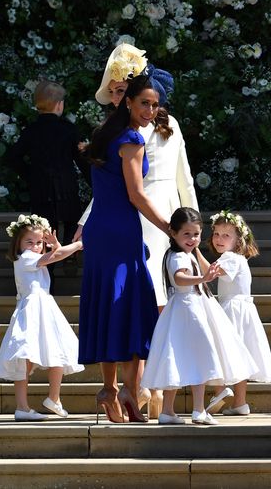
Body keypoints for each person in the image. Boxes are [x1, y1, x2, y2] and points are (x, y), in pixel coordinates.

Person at [76, 42, 198, 419]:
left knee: (111, 306)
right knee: (128, 307)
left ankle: (116, 390)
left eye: (154, 104)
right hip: (123, 228)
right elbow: (136, 195)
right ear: (128, 102)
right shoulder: (130, 140)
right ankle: (129, 390)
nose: (151, 110)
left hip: (103, 228)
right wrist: (171, 228)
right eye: (144, 103)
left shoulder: (104, 133)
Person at [141, 208, 258, 425]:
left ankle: (170, 411)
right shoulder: (178, 256)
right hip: (189, 310)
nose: (192, 239)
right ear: (173, 233)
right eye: (186, 234)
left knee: (180, 358)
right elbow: (180, 278)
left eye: (196, 234)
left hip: (187, 309)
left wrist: (202, 274)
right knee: (200, 357)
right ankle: (197, 410)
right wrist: (202, 278)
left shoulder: (185, 254)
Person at [0, 214, 85, 421]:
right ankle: (22, 407)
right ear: (18, 243)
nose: (35, 246)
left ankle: (54, 398)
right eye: (30, 242)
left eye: (39, 242)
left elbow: (54, 255)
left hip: (45, 308)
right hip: (32, 311)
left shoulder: (35, 259)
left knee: (57, 351)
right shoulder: (25, 258)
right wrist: (79, 245)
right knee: (26, 357)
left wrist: (55, 245)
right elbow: (55, 257)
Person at [198, 210, 271, 416]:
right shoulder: (236, 258)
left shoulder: (231, 257)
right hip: (241, 309)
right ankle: (240, 403)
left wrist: (194, 252)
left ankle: (221, 391)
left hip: (232, 311)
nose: (219, 239)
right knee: (239, 356)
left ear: (238, 240)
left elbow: (210, 274)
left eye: (226, 235)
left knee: (221, 350)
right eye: (216, 234)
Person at [5, 79, 89, 247]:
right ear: (59, 105)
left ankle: (47, 260)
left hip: (41, 188)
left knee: (44, 229)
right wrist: (95, 181)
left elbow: (13, 157)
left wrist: (30, 175)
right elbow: (81, 160)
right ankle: (69, 254)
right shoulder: (69, 129)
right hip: (66, 186)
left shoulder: (31, 131)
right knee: (72, 225)